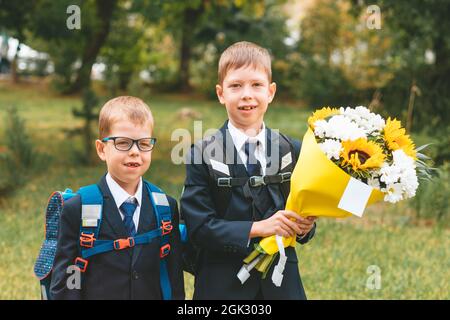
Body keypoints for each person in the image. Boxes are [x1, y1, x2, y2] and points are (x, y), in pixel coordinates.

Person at [180, 41, 316, 300]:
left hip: (281, 282)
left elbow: (303, 215)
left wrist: (305, 226)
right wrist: (259, 228)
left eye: (256, 85)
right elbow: (200, 227)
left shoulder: (293, 150)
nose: (247, 94)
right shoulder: (202, 153)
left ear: (271, 92)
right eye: (235, 86)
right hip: (222, 284)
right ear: (221, 93)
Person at [50, 96, 185, 299]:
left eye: (143, 143)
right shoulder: (78, 208)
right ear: (102, 149)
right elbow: (70, 278)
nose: (134, 152)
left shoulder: (166, 208)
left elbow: (174, 279)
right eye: (123, 143)